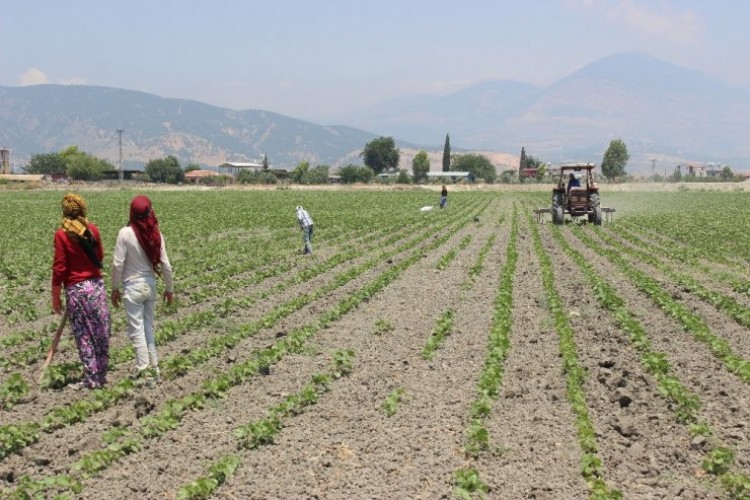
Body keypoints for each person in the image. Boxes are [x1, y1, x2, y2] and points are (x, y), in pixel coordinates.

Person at [111, 195, 174, 385]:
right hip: (150, 286)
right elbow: (166, 265)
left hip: (133, 287)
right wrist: (169, 289)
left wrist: (114, 288)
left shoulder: (124, 233)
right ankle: (154, 369)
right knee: (148, 328)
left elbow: (117, 264)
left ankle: (145, 372)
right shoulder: (156, 234)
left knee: (137, 330)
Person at [52, 193, 111, 389]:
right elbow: (100, 255)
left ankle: (92, 379)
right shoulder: (92, 230)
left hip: (76, 290)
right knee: (100, 330)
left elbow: (60, 267)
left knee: (84, 334)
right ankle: (101, 375)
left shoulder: (62, 234)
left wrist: (55, 296)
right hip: (96, 287)